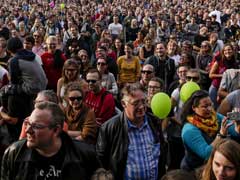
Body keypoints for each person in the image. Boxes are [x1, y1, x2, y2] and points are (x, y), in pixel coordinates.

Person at [1, 101, 99, 180]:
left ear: (56, 130)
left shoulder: (85, 154)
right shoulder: (14, 153)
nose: (27, 130)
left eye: (36, 126)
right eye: (28, 123)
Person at [96, 83, 167, 180]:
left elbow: (161, 154)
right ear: (123, 104)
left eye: (143, 101)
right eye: (136, 103)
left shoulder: (154, 122)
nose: (141, 107)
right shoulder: (109, 128)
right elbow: (101, 163)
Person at [1, 37, 47, 141]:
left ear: (9, 50)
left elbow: (14, 81)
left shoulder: (14, 60)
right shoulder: (33, 55)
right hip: (42, 87)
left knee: (5, 91)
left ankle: (6, 114)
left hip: (31, 89)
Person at [180, 90, 240, 171]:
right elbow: (207, 154)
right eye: (205, 106)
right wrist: (221, 135)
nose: (209, 109)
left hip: (213, 168)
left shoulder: (215, 117)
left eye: (210, 105)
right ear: (194, 108)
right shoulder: (189, 130)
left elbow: (234, 130)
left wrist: (238, 122)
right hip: (195, 171)